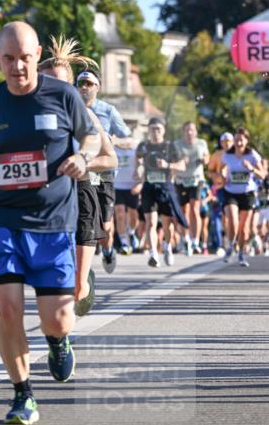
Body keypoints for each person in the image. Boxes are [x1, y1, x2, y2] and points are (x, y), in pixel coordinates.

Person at [0, 21, 100, 425]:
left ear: (37, 55)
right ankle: (23, 394)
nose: (17, 67)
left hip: (53, 223)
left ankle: (58, 340)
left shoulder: (63, 96)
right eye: (8, 58)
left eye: (25, 58)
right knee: (7, 308)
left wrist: (83, 158)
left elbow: (90, 138)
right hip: (3, 219)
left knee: (57, 317)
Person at [40, 38, 117, 319]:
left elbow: (111, 159)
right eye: (47, 83)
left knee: (76, 286)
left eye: (60, 83)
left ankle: (82, 289)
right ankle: (59, 336)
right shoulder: (28, 114)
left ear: (69, 86)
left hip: (81, 194)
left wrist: (81, 162)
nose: (53, 89)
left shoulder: (84, 116)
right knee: (50, 282)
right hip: (46, 198)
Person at [75, 69, 131, 274]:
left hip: (103, 172)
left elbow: (129, 139)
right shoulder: (71, 108)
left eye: (89, 83)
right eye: (81, 83)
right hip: (80, 172)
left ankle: (108, 249)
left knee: (106, 225)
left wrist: (112, 140)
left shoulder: (108, 111)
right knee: (82, 220)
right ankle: (81, 266)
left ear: (97, 87)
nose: (84, 87)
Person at [135, 119, 187, 267]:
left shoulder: (170, 147)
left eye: (158, 129)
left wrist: (167, 165)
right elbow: (138, 161)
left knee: (167, 223)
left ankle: (167, 246)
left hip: (165, 186)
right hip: (149, 187)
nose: (155, 132)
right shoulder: (143, 146)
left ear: (163, 130)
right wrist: (138, 171)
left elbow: (182, 166)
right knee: (150, 222)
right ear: (148, 130)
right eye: (152, 129)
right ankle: (153, 254)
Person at [220, 126, 266, 267]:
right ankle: (231, 247)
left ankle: (241, 253)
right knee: (233, 221)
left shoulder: (252, 155)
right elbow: (221, 168)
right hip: (231, 192)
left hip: (247, 193)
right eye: (236, 140)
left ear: (246, 141)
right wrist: (223, 175)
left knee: (244, 228)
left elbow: (263, 174)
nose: (238, 143)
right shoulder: (228, 154)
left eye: (241, 140)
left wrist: (251, 168)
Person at [174, 121, 210, 254]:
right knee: (183, 211)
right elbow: (172, 161)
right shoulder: (177, 145)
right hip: (181, 180)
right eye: (187, 130)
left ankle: (195, 240)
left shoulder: (201, 143)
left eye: (192, 130)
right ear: (183, 132)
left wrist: (204, 159)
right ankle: (186, 238)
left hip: (196, 179)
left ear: (196, 132)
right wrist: (180, 161)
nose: (189, 133)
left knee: (195, 209)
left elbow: (207, 157)